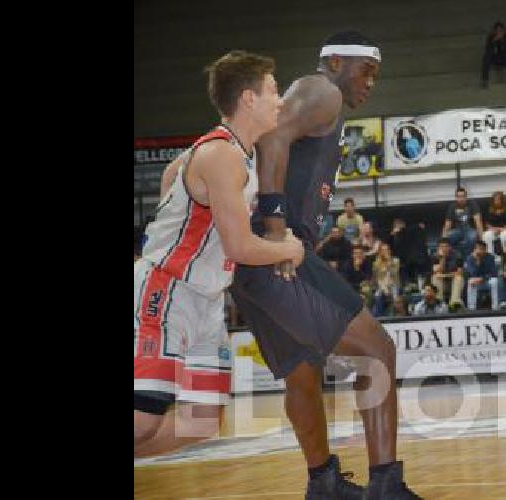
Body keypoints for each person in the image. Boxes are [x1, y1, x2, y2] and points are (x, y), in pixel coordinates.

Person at [225, 32, 420, 499]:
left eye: (376, 74)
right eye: (365, 70)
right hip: (277, 253)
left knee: (302, 372)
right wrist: (275, 221)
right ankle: (385, 485)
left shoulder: (323, 102)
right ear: (334, 61)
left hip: (250, 266)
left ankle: (324, 483)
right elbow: (272, 133)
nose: (370, 82)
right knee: (377, 353)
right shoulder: (321, 89)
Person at [135, 50, 305, 456]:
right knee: (142, 419)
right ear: (249, 98)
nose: (279, 101)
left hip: (207, 301)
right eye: (273, 90)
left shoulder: (224, 153)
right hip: (170, 290)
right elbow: (240, 246)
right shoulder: (221, 154)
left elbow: (171, 176)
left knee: (203, 419)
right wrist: (288, 248)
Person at [443, 187, 484, 256]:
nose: (461, 199)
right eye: (459, 197)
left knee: (472, 237)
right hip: (457, 230)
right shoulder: (452, 207)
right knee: (449, 237)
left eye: (463, 196)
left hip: (470, 229)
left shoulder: (472, 204)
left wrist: (481, 240)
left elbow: (478, 223)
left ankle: (468, 258)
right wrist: (443, 242)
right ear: (456, 198)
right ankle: (455, 257)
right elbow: (447, 225)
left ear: (466, 197)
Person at [464, 241, 501, 310]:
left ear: (485, 250)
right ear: (474, 250)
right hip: (476, 281)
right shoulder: (470, 258)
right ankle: (471, 308)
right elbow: (472, 273)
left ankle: (495, 307)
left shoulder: (490, 257)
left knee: (495, 281)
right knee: (470, 282)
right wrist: (477, 261)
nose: (480, 251)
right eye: (478, 249)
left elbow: (493, 273)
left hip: (487, 280)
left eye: (482, 249)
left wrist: (483, 278)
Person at [429, 238, 465, 310]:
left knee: (458, 278)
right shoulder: (434, 256)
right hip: (443, 283)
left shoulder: (457, 255)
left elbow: (459, 272)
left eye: (446, 246)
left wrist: (445, 275)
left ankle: (454, 304)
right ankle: (439, 303)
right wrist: (442, 258)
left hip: (454, 283)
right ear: (438, 248)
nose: (444, 249)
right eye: (441, 247)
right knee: (435, 278)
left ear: (450, 247)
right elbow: (437, 272)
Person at [480, 21, 506, 89]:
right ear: (494, 31)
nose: (499, 32)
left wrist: (503, 40)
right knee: (486, 57)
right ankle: (485, 80)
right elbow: (488, 49)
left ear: (504, 30)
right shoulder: (491, 37)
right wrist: (494, 41)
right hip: (495, 57)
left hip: (505, 57)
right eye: (497, 30)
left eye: (500, 30)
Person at [372, 243, 402, 317]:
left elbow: (394, 273)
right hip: (382, 285)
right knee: (377, 295)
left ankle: (395, 316)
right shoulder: (376, 263)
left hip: (394, 283)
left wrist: (389, 263)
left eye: (387, 249)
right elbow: (378, 278)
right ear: (381, 252)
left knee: (395, 297)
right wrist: (384, 288)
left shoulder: (396, 261)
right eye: (383, 250)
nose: (386, 251)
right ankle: (380, 316)